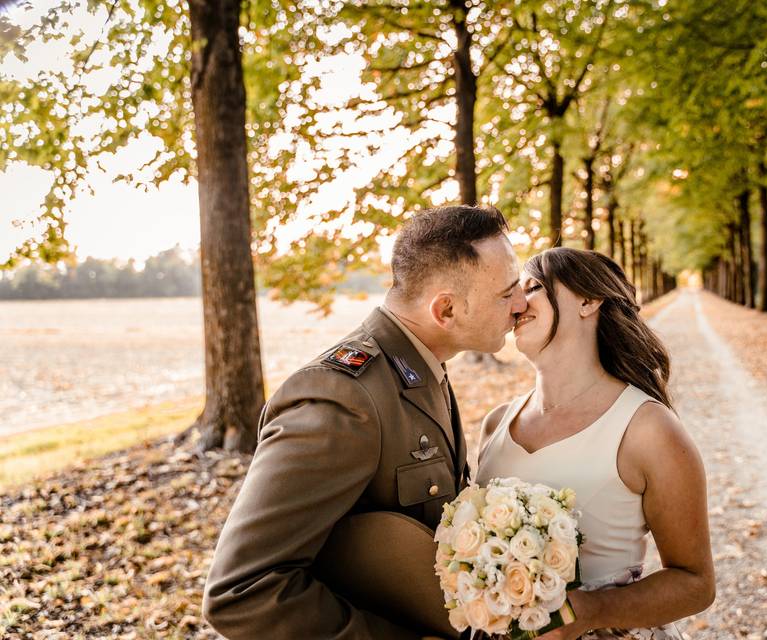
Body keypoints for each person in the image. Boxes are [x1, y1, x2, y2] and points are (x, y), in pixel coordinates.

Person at [202, 205, 527, 639]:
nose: (521, 305)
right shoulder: (343, 399)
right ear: (445, 310)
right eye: (506, 294)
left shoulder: (422, 366)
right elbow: (241, 592)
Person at [477, 247, 715, 639]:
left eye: (534, 287)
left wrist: (589, 612)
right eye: (515, 291)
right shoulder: (496, 424)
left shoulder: (648, 429)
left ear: (588, 300)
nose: (517, 303)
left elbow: (696, 583)